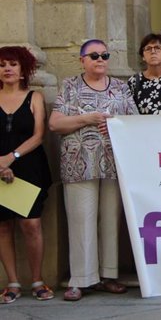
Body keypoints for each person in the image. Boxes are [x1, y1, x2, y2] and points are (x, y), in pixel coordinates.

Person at [49, 39, 138, 301]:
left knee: (110, 219)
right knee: (80, 219)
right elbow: (55, 123)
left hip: (112, 163)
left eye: (104, 55)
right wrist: (86, 119)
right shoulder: (70, 86)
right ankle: (82, 278)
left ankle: (108, 275)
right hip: (79, 164)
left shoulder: (121, 88)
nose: (100, 59)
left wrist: (115, 122)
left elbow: (135, 121)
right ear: (82, 60)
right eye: (94, 55)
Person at [0, 47, 53, 303]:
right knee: (2, 226)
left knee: (31, 224)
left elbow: (38, 135)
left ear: (23, 70)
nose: (7, 69)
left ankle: (37, 280)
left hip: (28, 166)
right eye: (2, 65)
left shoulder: (35, 97)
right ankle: (12, 282)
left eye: (12, 64)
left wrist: (12, 158)